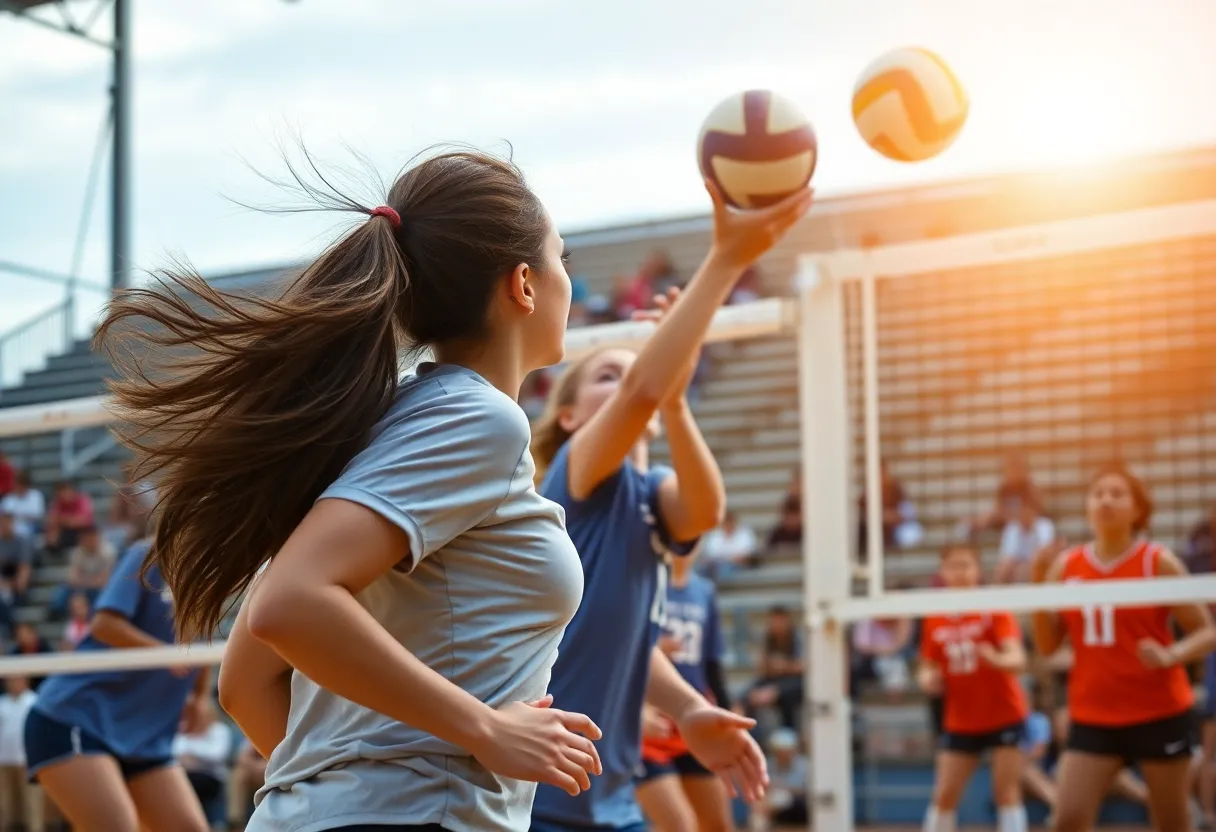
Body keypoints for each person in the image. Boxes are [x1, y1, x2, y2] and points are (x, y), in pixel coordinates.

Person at [97, 150, 602, 832]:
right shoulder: (479, 420)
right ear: (524, 284)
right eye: (561, 258)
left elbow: (245, 684)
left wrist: (342, 790)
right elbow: (290, 605)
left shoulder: (385, 426)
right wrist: (479, 729)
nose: (570, 279)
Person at [529, 177, 810, 832]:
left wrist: (686, 708)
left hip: (609, 789)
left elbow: (704, 511)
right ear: (567, 415)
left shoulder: (651, 497)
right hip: (539, 792)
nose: (627, 381)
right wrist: (728, 258)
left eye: (635, 369)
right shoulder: (577, 477)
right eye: (606, 373)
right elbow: (641, 395)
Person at [1032, 464, 1216, 832]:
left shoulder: (1157, 561)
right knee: (1067, 820)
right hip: (1094, 715)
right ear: (1087, 507)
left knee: (1172, 824)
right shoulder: (1065, 566)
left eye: (1117, 494)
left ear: (1137, 510)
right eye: (1098, 493)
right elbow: (1048, 646)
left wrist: (1171, 655)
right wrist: (1038, 585)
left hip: (1158, 712)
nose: (1106, 500)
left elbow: (1206, 631)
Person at [22, 537, 213, 831]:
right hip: (74, 718)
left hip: (142, 736)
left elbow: (199, 642)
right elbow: (104, 624)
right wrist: (160, 653)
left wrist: (199, 697)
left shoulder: (213, 571)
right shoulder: (150, 554)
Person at [918, 543, 1029, 832]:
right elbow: (927, 664)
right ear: (942, 572)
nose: (960, 573)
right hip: (961, 718)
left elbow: (1017, 658)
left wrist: (996, 659)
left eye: (966, 565)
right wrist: (927, 679)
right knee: (944, 795)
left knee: (1006, 793)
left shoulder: (993, 608)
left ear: (978, 570)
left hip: (1003, 713)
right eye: (953, 566)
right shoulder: (935, 615)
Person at [635, 552, 734, 832]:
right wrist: (654, 651)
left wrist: (725, 712)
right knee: (679, 825)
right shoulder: (645, 581)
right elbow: (619, 651)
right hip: (648, 722)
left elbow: (712, 663)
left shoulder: (704, 591)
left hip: (691, 722)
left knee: (718, 825)